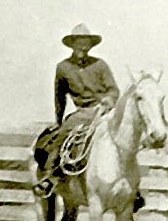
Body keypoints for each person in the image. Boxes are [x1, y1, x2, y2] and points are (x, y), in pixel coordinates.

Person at [32, 23, 118, 197]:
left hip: (104, 110)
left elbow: (113, 89)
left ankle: (133, 188)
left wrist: (108, 101)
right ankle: (51, 176)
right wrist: (58, 120)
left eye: (86, 43)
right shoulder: (63, 67)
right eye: (79, 43)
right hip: (82, 112)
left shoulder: (100, 65)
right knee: (61, 136)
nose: (83, 47)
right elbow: (60, 96)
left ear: (90, 45)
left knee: (122, 138)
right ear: (72, 44)